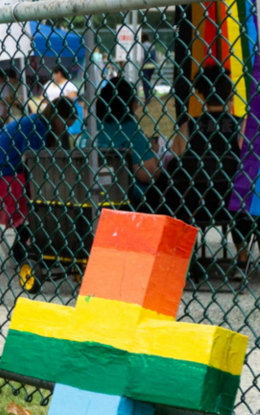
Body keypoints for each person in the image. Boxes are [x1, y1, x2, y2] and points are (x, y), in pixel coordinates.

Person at [159, 64, 251, 279]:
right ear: (230, 94)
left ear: (202, 95)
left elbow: (173, 161)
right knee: (244, 185)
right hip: (231, 205)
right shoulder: (241, 126)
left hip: (193, 205)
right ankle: (242, 259)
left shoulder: (188, 127)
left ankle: (187, 260)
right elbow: (249, 163)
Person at [0, 97, 79, 260]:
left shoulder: (35, 122)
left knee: (41, 193)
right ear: (56, 117)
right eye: (66, 125)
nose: (66, 131)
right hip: (0, 180)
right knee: (43, 196)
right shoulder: (37, 127)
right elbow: (34, 166)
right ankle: (30, 242)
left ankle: (25, 240)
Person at [95, 76, 159, 205]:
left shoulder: (92, 127)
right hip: (129, 203)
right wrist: (153, 152)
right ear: (129, 103)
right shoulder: (130, 130)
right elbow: (149, 174)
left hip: (93, 198)